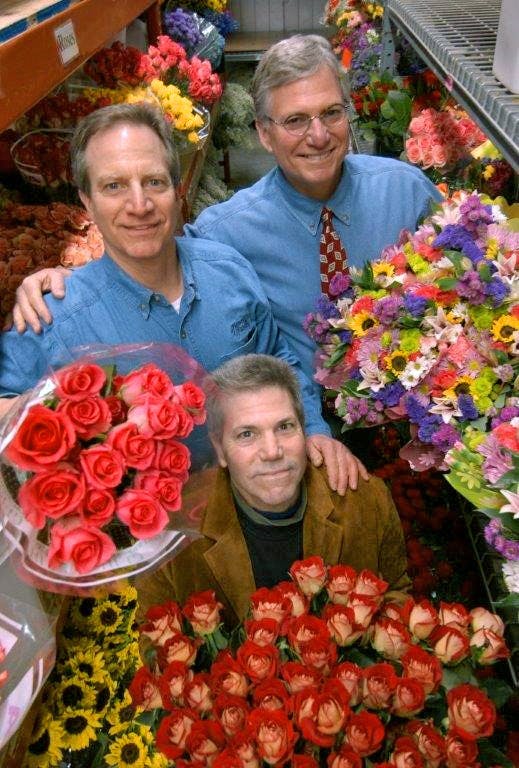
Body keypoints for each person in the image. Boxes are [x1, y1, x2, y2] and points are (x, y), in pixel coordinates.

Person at [11, 34, 442, 398]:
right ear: (264, 133)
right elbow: (149, 249)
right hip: (307, 411)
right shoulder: (226, 231)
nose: (318, 135)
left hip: (420, 402)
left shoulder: (406, 192)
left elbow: (463, 270)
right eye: (295, 120)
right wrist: (68, 280)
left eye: (331, 113)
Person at [0, 102, 365, 492]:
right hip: (143, 523)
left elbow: (277, 360)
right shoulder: (54, 317)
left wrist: (313, 430)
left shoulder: (227, 270)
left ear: (176, 190)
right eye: (114, 186)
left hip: (259, 497)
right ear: (87, 201)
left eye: (154, 182)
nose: (139, 205)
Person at [136, 354, 410, 627]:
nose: (272, 451)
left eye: (284, 427)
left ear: (304, 430)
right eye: (247, 434)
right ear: (219, 449)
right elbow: (152, 639)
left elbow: (396, 597)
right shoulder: (172, 530)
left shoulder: (365, 498)